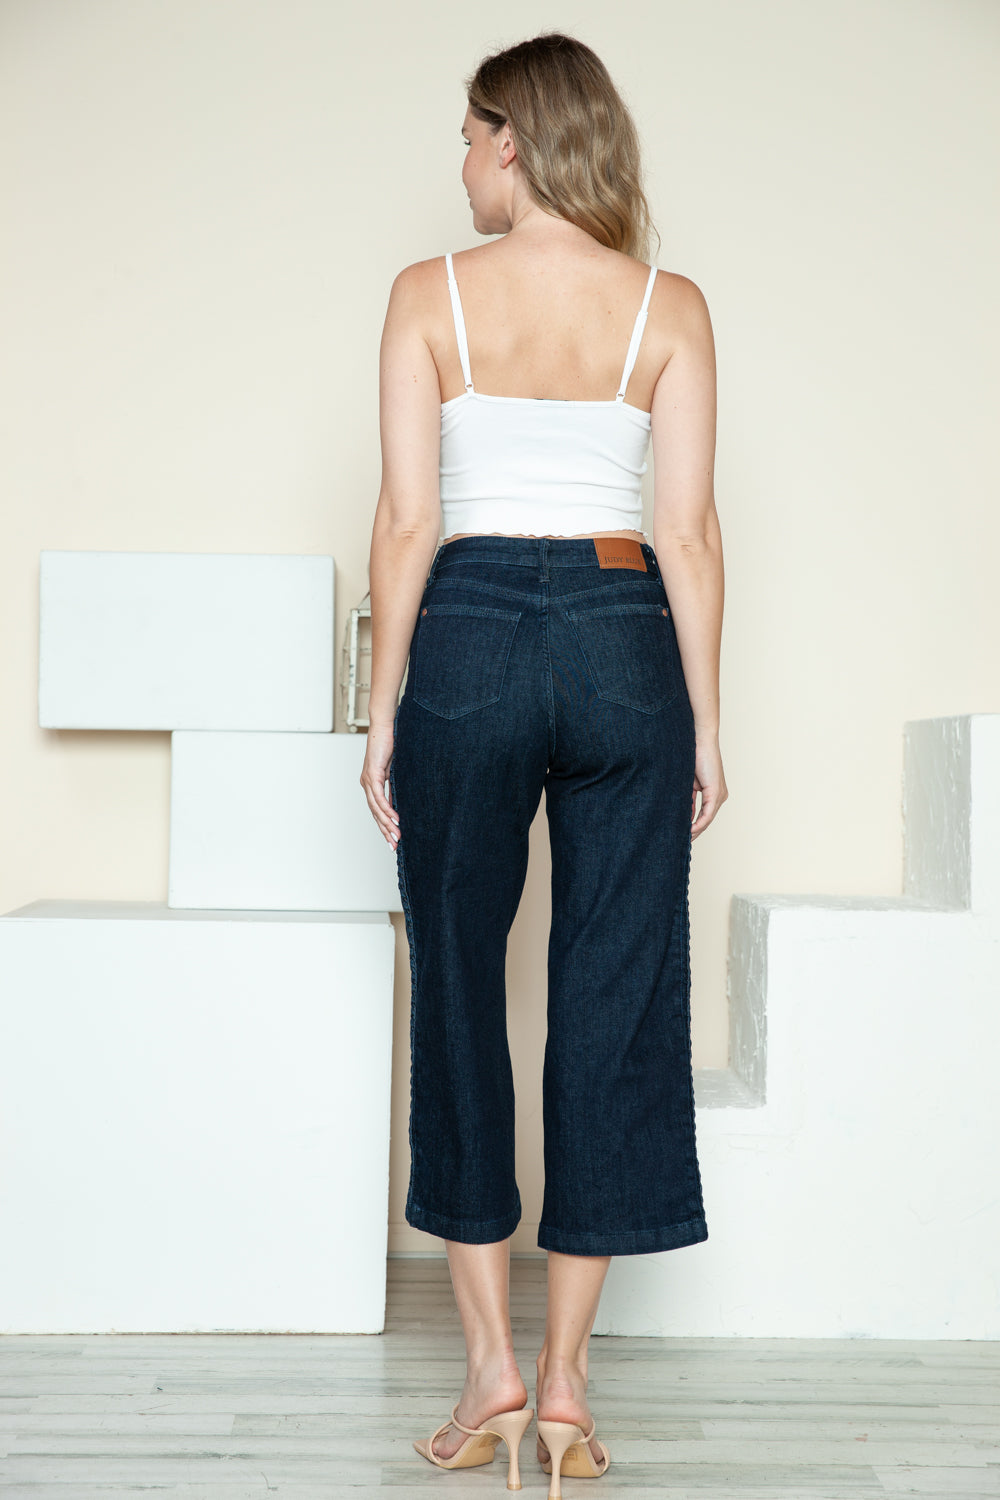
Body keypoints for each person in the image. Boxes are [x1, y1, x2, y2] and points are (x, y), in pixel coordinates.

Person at [361, 31, 727, 1498]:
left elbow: (403, 523)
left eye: (465, 137)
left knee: (456, 984)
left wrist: (386, 703)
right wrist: (707, 716)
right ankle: (568, 1390)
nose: (457, 165)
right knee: (614, 998)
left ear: (512, 140)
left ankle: (490, 1374)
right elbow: (693, 533)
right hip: (630, 621)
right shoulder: (671, 308)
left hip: (468, 628)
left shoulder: (427, 297)